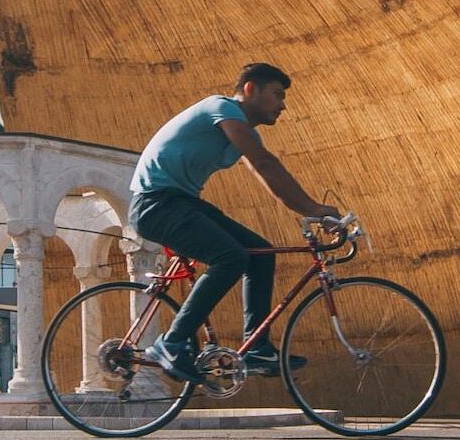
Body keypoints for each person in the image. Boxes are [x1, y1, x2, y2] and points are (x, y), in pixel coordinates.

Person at [130, 62, 339, 382]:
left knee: (260, 253)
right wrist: (314, 207)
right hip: (155, 203)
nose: (283, 104)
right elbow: (265, 163)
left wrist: (310, 211)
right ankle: (171, 342)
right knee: (230, 257)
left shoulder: (245, 132)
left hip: (183, 202)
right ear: (251, 90)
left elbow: (268, 178)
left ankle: (256, 347)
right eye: (277, 94)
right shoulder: (221, 108)